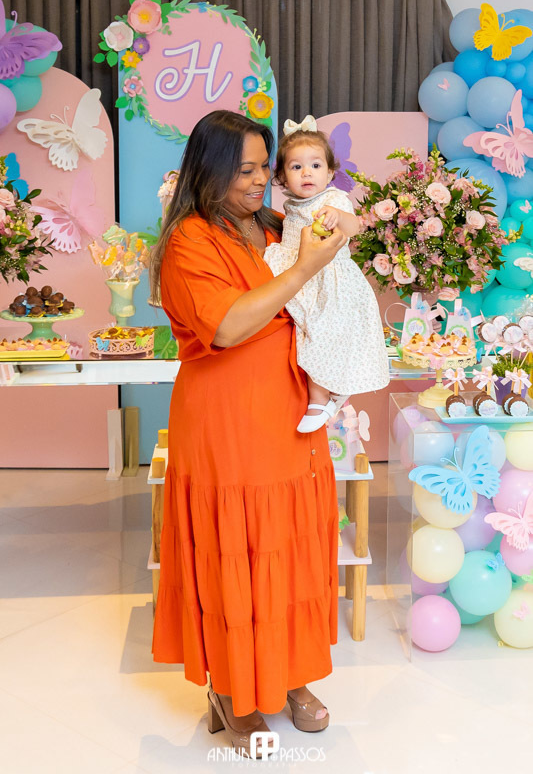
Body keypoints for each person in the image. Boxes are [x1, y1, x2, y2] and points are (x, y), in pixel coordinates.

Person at [149, 110, 346, 758]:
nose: (262, 181)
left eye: (266, 167)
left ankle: (288, 676)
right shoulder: (188, 240)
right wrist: (304, 270)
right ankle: (232, 692)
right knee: (237, 549)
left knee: (287, 549)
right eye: (245, 171)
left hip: (289, 416)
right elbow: (228, 326)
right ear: (209, 172)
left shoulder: (274, 225)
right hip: (227, 423)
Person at [264, 115, 390, 432]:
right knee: (304, 335)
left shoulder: (333, 199)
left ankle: (319, 401)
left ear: (330, 173)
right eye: (296, 167)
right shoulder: (291, 205)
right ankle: (333, 391)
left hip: (330, 280)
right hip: (302, 276)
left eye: (316, 165)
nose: (307, 173)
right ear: (282, 178)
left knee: (320, 335)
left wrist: (337, 216)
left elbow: (354, 227)